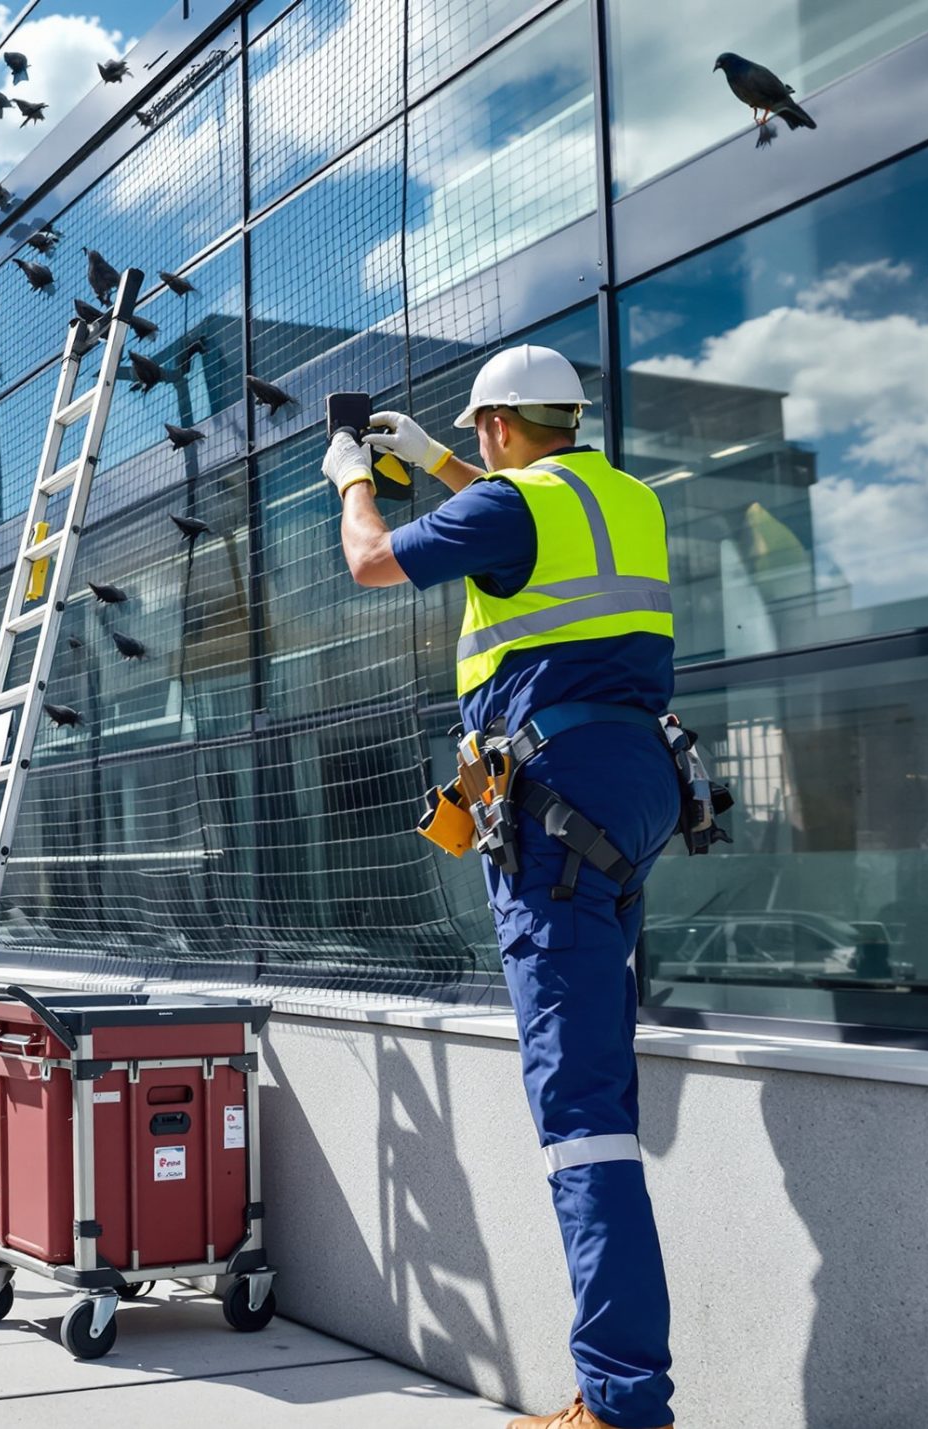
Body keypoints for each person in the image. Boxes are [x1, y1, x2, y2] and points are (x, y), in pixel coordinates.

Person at [325, 344, 679, 1429]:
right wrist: (436, 459)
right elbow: (520, 521)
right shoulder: (624, 498)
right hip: (636, 783)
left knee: (579, 1112)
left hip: (556, 802)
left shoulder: (508, 506)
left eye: (474, 437)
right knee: (597, 1077)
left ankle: (620, 1401)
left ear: (496, 426)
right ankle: (613, 1385)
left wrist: (353, 475)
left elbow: (370, 562)